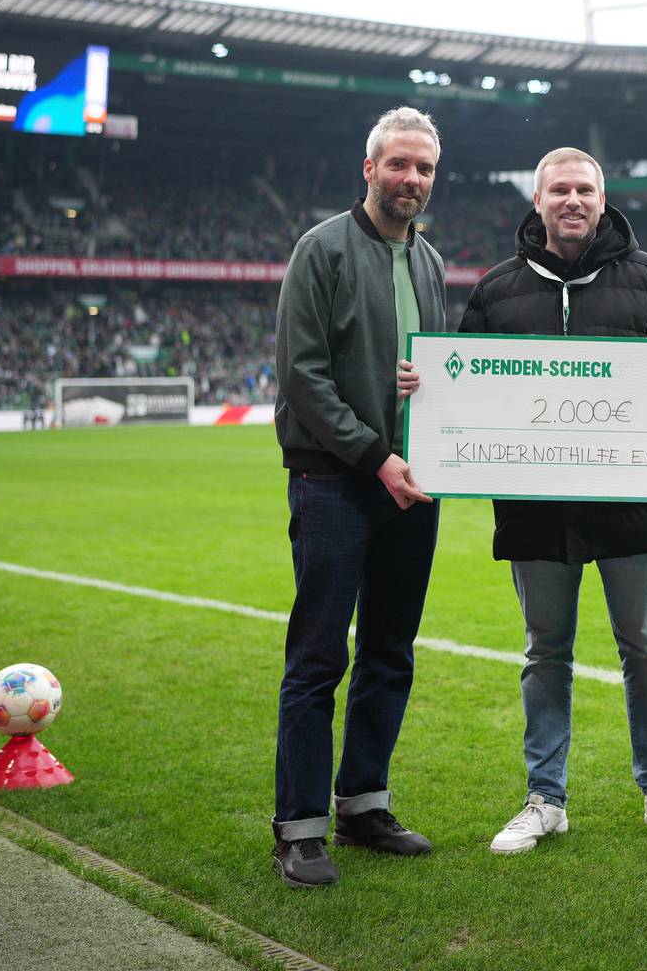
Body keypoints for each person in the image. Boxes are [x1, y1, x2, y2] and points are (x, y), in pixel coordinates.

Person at [461, 146, 647, 854]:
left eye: (584, 189)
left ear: (602, 201)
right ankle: (545, 798)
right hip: (536, 510)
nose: (572, 200)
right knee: (545, 653)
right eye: (559, 190)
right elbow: (465, 391)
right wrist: (425, 393)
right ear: (538, 200)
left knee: (645, 648)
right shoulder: (496, 290)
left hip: (630, 505)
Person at [271, 107, 447, 888]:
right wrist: (376, 455)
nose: (412, 179)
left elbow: (432, 369)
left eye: (425, 168)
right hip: (337, 481)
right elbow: (302, 374)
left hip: (413, 485)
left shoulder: (430, 262)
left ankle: (364, 805)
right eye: (399, 164)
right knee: (319, 655)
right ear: (369, 168)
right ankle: (299, 827)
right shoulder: (322, 248)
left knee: (389, 650)